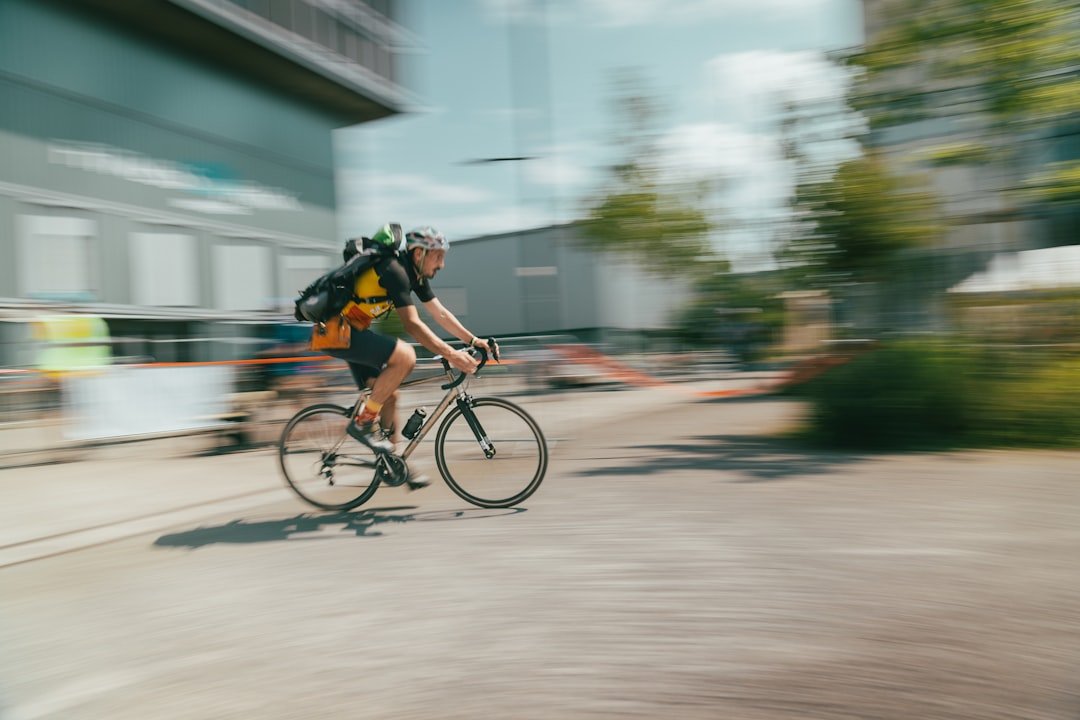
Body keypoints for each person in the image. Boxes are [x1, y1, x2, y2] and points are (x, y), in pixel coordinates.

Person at [323, 225, 495, 486]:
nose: (442, 264)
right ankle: (361, 424)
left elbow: (441, 314)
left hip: (354, 331)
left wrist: (473, 340)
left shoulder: (415, 276)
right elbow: (413, 325)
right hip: (334, 331)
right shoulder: (395, 271)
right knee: (405, 356)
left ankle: (394, 465)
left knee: (389, 394)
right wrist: (452, 354)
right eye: (438, 256)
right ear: (419, 254)